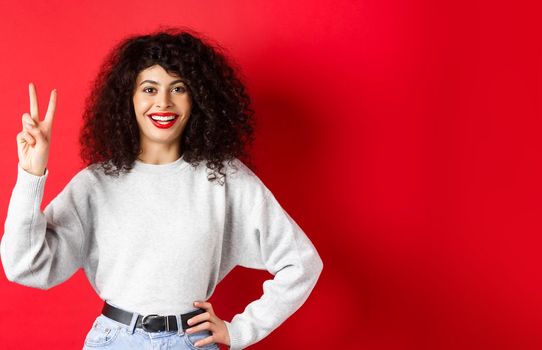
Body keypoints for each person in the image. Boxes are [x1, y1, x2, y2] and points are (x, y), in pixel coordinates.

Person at [0, 28, 323, 350]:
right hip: (113, 342)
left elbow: (301, 262)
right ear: (129, 98)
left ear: (198, 98)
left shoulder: (223, 177)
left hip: (192, 341)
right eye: (150, 89)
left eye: (178, 88)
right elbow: (25, 267)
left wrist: (241, 330)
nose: (163, 103)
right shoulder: (95, 183)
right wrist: (31, 173)